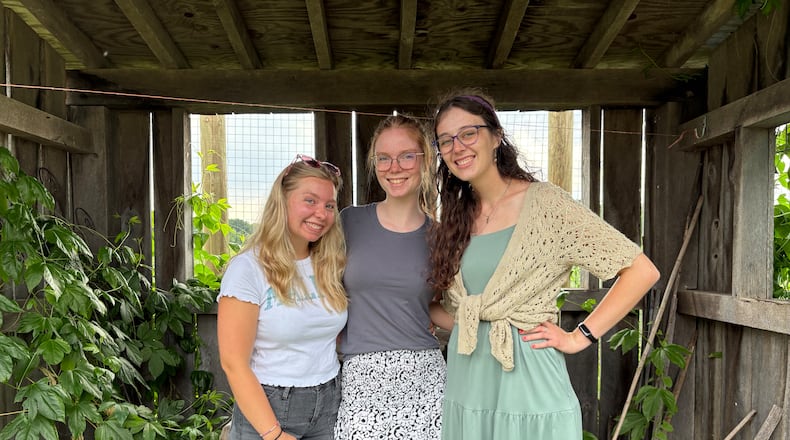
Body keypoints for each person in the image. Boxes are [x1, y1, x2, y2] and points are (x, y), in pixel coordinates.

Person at [427, 91, 661, 439]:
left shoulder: (545, 204)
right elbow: (461, 313)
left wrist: (579, 336)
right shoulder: (457, 217)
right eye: (445, 140)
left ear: (495, 136)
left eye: (468, 133)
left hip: (529, 392)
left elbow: (641, 271)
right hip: (469, 388)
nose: (457, 146)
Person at [217, 154, 347, 440]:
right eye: (310, 201)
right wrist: (272, 433)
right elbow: (233, 362)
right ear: (282, 201)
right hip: (269, 407)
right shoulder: (248, 269)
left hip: (328, 403)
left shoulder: (328, 264)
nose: (321, 213)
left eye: (329, 205)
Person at [334, 114, 446, 439]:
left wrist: (499, 322)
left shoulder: (440, 237)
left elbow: (439, 307)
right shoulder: (349, 223)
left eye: (406, 155)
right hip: (360, 377)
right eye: (384, 157)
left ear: (425, 161)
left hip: (425, 378)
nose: (394, 167)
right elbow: (317, 286)